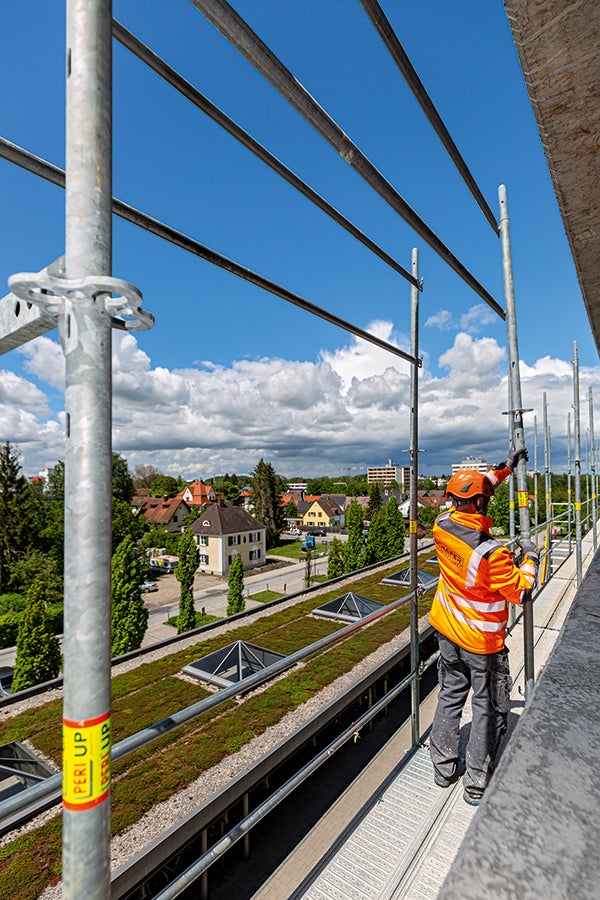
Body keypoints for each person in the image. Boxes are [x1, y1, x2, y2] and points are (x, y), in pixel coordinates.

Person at [429, 447, 539, 805]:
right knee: (486, 708)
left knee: (449, 695)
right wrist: (531, 558)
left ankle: (443, 768)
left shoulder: (442, 525)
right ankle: (476, 784)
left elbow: (479, 487)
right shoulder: (491, 552)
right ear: (479, 503)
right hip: (480, 643)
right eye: (484, 498)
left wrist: (505, 468)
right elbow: (521, 590)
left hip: (447, 630)